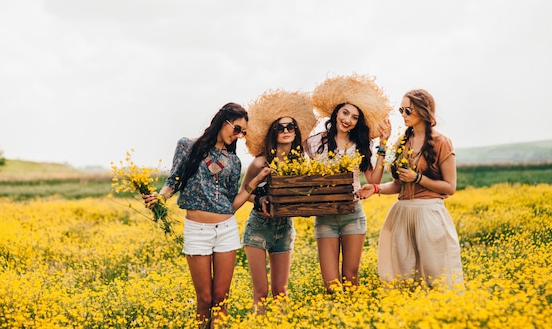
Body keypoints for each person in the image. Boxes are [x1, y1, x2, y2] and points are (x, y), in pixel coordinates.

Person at [143, 102, 268, 328]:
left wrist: (256, 182)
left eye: (243, 132)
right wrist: (159, 198)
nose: (239, 135)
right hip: (197, 231)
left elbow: (232, 203)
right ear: (223, 121)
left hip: (226, 230)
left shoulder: (234, 161)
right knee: (205, 299)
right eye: (237, 129)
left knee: (221, 298)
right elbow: (174, 181)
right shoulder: (187, 146)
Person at [358, 89, 464, 288]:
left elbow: (450, 187)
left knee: (436, 275)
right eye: (401, 110)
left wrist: (418, 178)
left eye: (408, 110)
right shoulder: (403, 142)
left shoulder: (442, 142)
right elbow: (399, 184)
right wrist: (376, 188)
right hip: (402, 213)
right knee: (404, 277)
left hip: (429, 213)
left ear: (424, 112)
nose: (403, 115)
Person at [305, 74, 391, 293]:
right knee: (331, 285)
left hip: (353, 214)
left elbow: (373, 180)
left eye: (354, 117)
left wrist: (382, 144)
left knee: (351, 278)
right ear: (336, 113)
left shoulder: (360, 145)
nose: (348, 120)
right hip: (325, 217)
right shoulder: (315, 143)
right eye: (345, 113)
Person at [240, 89, 317, 314]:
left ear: (296, 131)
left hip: (285, 228)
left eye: (290, 127)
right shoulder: (260, 162)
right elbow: (244, 192)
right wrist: (259, 199)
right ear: (272, 133)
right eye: (280, 127)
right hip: (259, 227)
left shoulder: (300, 163)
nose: (285, 131)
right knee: (260, 293)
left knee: (281, 292)